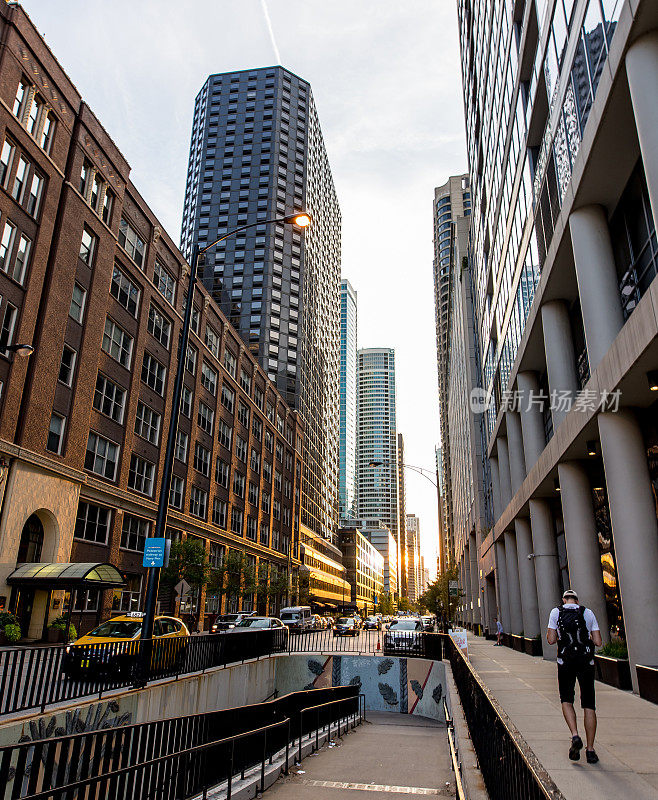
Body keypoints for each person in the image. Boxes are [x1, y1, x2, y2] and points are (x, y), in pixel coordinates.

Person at [546, 589, 602, 764]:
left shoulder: (556, 612)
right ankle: (591, 751)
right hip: (586, 662)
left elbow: (551, 639)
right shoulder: (588, 613)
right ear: (577, 601)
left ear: (564, 600)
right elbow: (598, 641)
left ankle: (575, 735)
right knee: (589, 704)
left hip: (565, 662)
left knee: (566, 700)